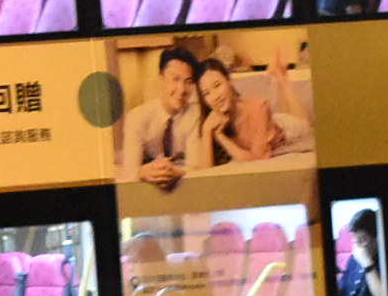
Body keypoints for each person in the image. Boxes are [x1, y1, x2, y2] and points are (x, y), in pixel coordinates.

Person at [191, 54, 314, 167]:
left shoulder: (258, 107)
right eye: (206, 93)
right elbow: (205, 172)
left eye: (217, 85)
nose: (215, 96)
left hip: (284, 130)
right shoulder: (211, 121)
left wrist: (220, 136)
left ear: (229, 80)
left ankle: (282, 79)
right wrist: (207, 131)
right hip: (269, 126)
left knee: (302, 125)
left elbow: (258, 159)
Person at [118, 47, 202, 194]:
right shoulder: (137, 117)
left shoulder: (195, 114)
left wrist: (175, 172)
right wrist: (143, 172)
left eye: (188, 82)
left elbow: (196, 166)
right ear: (161, 80)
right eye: (175, 79)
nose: (182, 89)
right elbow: (130, 170)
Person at [334, 209, 388, 296]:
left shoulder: (383, 261)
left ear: (378, 238)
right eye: (355, 241)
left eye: (362, 241)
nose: (358, 247)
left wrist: (367, 264)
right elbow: (343, 287)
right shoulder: (354, 258)